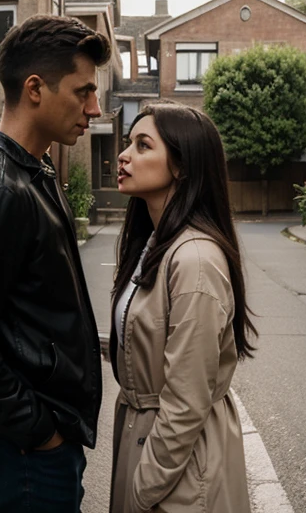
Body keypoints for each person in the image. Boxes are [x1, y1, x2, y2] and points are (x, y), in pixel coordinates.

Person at [0, 14, 111, 512]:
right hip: (23, 448)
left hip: (36, 440)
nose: (95, 108)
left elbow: (29, 313)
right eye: (83, 91)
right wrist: (39, 430)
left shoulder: (33, 171)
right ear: (35, 88)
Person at [108, 103, 257, 512]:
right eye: (128, 143)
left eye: (142, 146)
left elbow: (187, 400)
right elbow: (145, 334)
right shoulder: (155, 244)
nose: (124, 155)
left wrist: (144, 488)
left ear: (181, 167)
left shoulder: (194, 259)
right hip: (146, 444)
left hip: (181, 470)